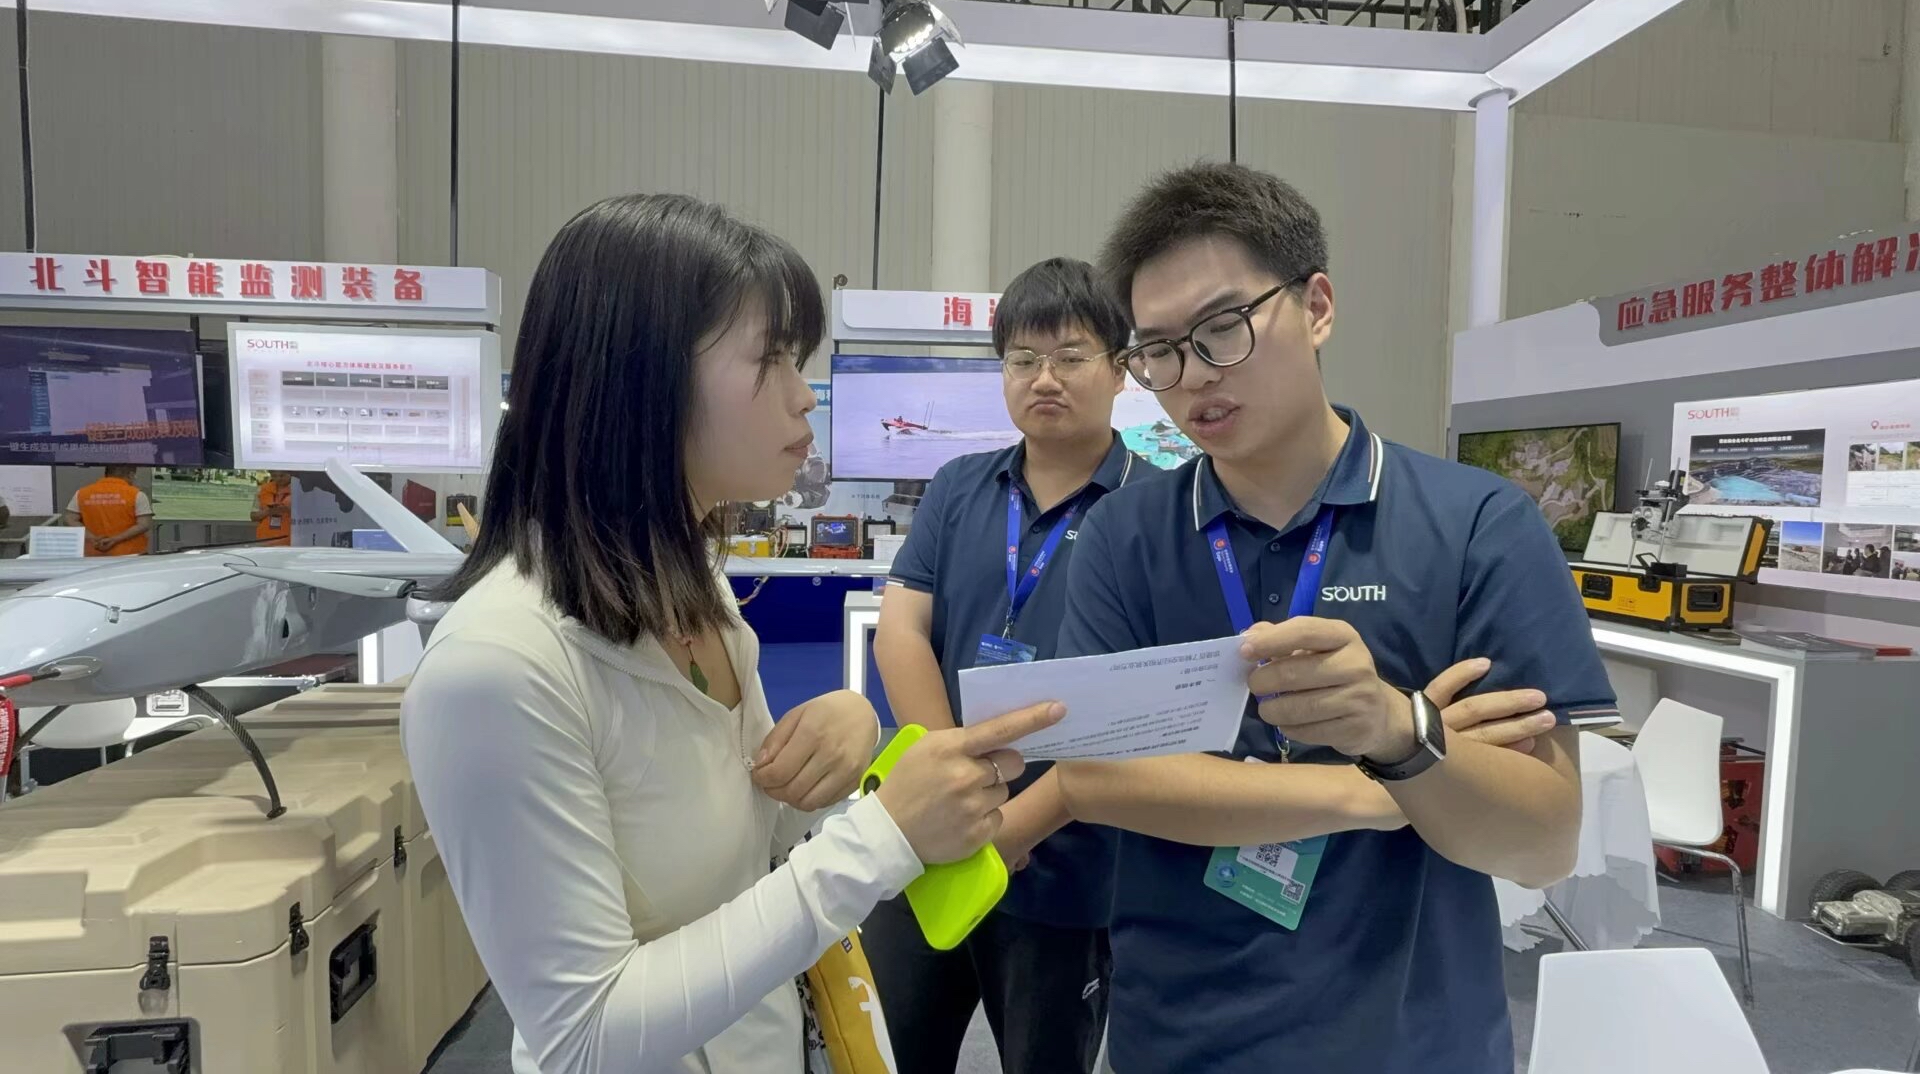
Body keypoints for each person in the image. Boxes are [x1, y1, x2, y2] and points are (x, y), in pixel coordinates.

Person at [399, 194, 1064, 1074]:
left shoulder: (695, 588)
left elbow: (752, 860)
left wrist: (841, 746)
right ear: (645, 378)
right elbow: (582, 1038)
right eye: (771, 358)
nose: (803, 396)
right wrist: (881, 839)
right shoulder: (495, 671)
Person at [1000, 163, 1619, 1074]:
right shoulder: (1125, 536)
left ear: (1316, 306)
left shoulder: (1478, 526)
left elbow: (1542, 844)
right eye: (1159, 351)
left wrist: (1394, 728)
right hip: (1180, 1035)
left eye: (1223, 328)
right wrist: (1395, 785)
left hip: (1414, 1041)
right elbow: (1095, 778)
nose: (1192, 377)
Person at [867, 258, 1164, 1074]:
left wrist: (1015, 822)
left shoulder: (1159, 510)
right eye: (1023, 359)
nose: (1045, 378)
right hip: (927, 841)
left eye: (1070, 357)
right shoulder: (959, 487)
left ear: (1120, 368)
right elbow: (902, 630)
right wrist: (955, 785)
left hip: (1067, 867)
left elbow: (1147, 703)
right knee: (887, 1053)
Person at [63, 465, 153, 556]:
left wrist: (92, 538)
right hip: (130, 554)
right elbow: (144, 524)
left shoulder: (82, 493)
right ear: (131, 475)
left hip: (93, 554)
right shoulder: (136, 494)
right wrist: (115, 539)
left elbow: (69, 519)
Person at [252, 471, 294, 547]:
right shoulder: (262, 490)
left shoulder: (301, 491)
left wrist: (288, 510)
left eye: (282, 475)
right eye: (274, 476)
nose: (278, 478)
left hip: (290, 543)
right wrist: (269, 511)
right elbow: (253, 516)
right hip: (265, 541)